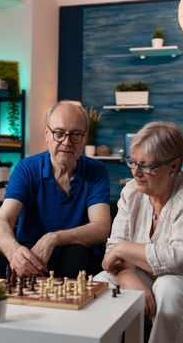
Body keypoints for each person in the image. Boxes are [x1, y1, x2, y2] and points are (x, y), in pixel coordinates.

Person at [0, 100, 111, 279]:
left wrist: (54, 238)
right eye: (59, 133)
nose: (67, 142)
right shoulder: (26, 169)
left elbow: (101, 228)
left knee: (77, 253)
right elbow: (2, 220)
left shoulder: (97, 172)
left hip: (72, 255)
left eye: (75, 134)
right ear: (46, 133)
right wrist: (14, 251)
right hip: (30, 254)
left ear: (85, 136)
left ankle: (69, 306)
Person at [94, 121, 183, 343]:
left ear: (174, 166)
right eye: (132, 162)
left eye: (146, 166)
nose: (136, 173)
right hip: (139, 273)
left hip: (178, 279)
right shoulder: (131, 192)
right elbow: (111, 251)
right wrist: (128, 276)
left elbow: (178, 258)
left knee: (168, 288)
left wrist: (125, 249)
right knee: (100, 282)